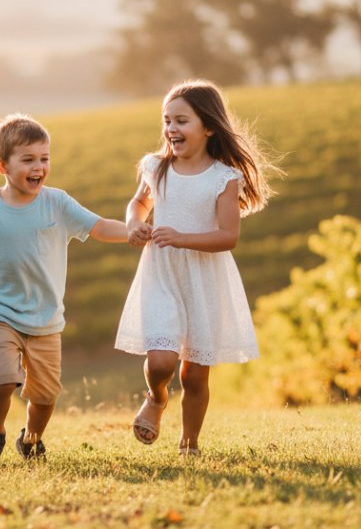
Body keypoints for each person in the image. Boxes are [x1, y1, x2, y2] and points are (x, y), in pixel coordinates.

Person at [0, 113, 128, 466]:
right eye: (28, 159)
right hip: (1, 313)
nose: (39, 167)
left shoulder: (58, 203)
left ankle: (30, 439)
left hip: (46, 319)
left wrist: (136, 232)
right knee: (3, 379)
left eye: (45, 159)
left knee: (45, 397)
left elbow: (100, 226)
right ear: (2, 164)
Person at [115, 79, 279, 456]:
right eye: (166, 121)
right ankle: (156, 399)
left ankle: (189, 445)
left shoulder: (224, 178)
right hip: (161, 273)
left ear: (208, 126)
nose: (171, 129)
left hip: (204, 278)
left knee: (193, 373)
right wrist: (133, 224)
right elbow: (138, 204)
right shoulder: (156, 168)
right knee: (160, 361)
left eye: (181, 121)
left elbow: (227, 237)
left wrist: (182, 237)